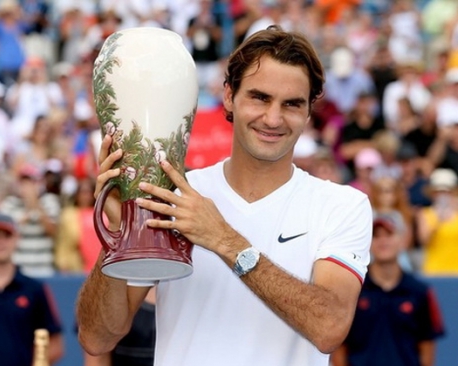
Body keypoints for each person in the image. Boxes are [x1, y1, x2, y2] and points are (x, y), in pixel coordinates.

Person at [77, 25, 373, 366]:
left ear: (309, 112)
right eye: (260, 97)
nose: (273, 118)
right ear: (229, 96)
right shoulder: (173, 194)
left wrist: (224, 239)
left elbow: (329, 328)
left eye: (292, 104)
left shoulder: (341, 205)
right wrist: (117, 234)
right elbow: (97, 337)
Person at [331, 212, 445, 366]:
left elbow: (427, 345)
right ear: (368, 242)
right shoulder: (353, 289)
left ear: (403, 240)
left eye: (389, 234)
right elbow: (339, 345)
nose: (383, 241)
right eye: (376, 236)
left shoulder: (420, 292)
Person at [0, 211, 64, 366]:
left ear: (17, 238)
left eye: (7, 235)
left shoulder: (34, 290)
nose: (1, 242)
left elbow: (54, 344)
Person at [416, 168, 458, 276]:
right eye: (438, 192)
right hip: (433, 270)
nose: (443, 195)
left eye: (447, 191)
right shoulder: (425, 213)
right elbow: (424, 240)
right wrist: (438, 220)